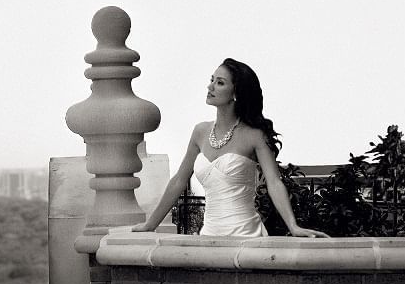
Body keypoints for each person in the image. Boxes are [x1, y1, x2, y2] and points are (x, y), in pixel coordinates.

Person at [132, 58, 328, 238]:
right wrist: (150, 224)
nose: (210, 86)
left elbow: (274, 183)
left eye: (220, 82)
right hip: (208, 234)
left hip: (246, 234)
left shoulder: (255, 134)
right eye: (212, 80)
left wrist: (293, 227)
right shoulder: (200, 131)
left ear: (236, 93)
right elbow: (179, 181)